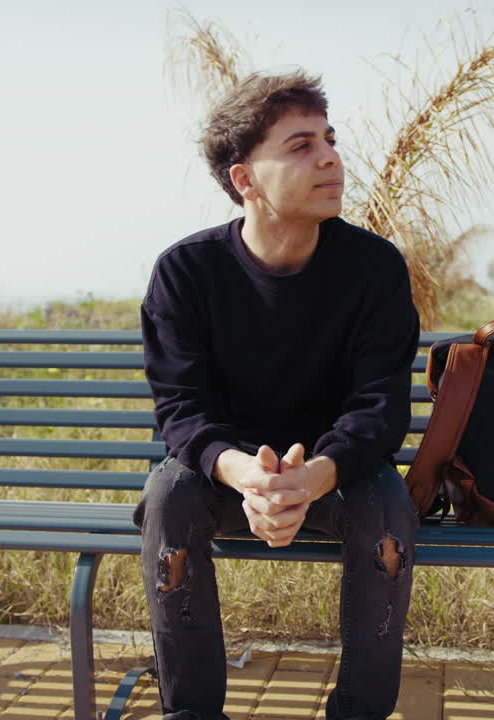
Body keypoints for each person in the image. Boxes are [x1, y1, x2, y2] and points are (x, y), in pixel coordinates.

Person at [134, 68, 421, 720]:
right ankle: (193, 711)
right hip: (227, 477)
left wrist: (310, 478)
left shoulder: (374, 268)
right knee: (169, 494)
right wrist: (251, 479)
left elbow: (380, 408)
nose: (329, 157)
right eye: (300, 146)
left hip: (335, 475)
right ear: (245, 179)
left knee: (386, 507)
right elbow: (181, 410)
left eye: (329, 138)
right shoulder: (186, 272)